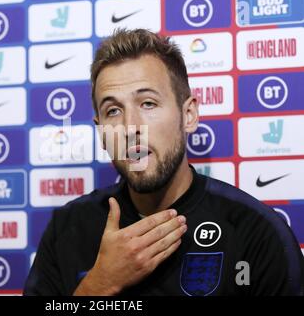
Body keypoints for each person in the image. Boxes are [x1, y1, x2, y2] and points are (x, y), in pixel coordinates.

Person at [24, 29, 304, 296]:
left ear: (189, 115)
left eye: (148, 104)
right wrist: (99, 286)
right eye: (113, 110)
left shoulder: (256, 232)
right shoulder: (68, 228)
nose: (130, 126)